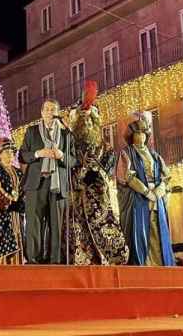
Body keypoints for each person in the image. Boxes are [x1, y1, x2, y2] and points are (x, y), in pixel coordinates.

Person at [66, 81, 129, 265]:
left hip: (99, 190)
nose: (86, 122)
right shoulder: (70, 142)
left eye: (89, 119)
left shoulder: (102, 143)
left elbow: (110, 156)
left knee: (103, 222)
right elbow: (68, 159)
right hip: (78, 189)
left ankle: (111, 255)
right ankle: (85, 258)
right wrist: (80, 171)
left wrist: (99, 170)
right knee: (79, 224)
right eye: (82, 118)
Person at [19, 99, 75, 264]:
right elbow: (22, 155)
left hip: (58, 184)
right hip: (36, 183)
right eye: (47, 109)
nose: (50, 112)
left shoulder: (66, 135)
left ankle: (54, 259)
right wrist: (38, 153)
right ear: (42, 113)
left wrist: (62, 156)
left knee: (56, 224)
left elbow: (74, 161)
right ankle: (33, 259)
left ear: (57, 113)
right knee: (34, 222)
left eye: (53, 110)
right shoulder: (32, 132)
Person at [117, 112, 175, 267]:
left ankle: (161, 265)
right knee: (141, 234)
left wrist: (159, 191)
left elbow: (166, 176)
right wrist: (147, 192)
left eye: (144, 133)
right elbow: (126, 176)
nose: (141, 137)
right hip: (139, 201)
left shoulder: (155, 155)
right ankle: (144, 266)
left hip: (157, 200)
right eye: (137, 133)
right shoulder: (126, 153)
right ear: (132, 135)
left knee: (158, 231)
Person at [0, 138, 25, 265]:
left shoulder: (18, 172)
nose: (10, 155)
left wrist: (21, 203)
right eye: (6, 152)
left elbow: (23, 190)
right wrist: (10, 203)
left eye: (12, 152)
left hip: (16, 216)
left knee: (17, 238)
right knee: (0, 243)